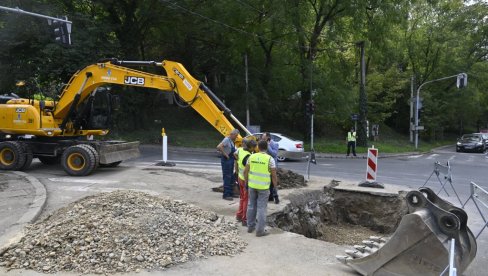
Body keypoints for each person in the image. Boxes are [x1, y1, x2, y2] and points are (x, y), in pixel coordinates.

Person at [245, 140, 278, 237]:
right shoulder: (270, 159)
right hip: (263, 187)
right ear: (267, 148)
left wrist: (247, 182)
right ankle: (260, 231)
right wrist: (275, 187)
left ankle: (250, 227)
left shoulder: (251, 157)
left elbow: (246, 171)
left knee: (251, 206)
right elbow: (274, 175)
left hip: (252, 186)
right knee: (262, 208)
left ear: (258, 147)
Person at [234, 138, 256, 226]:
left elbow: (234, 155)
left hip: (239, 177)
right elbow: (247, 171)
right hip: (245, 179)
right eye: (253, 148)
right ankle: (245, 219)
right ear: (250, 147)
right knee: (246, 199)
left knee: (242, 198)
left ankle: (239, 215)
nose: (254, 149)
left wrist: (236, 170)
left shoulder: (239, 150)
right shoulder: (249, 156)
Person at [216, 129, 239, 200]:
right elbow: (219, 147)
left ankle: (230, 193)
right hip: (226, 161)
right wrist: (226, 155)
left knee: (231, 177)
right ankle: (226, 195)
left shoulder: (232, 141)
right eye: (236, 136)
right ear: (232, 134)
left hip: (230, 161)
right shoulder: (226, 139)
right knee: (227, 177)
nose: (236, 137)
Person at [261, 132, 280, 204]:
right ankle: (270, 196)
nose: (262, 139)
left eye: (264, 137)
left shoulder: (275, 144)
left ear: (268, 137)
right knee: (267, 181)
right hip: (265, 165)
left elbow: (274, 154)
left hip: (273, 165)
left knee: (273, 181)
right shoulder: (263, 143)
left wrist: (268, 145)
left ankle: (276, 196)